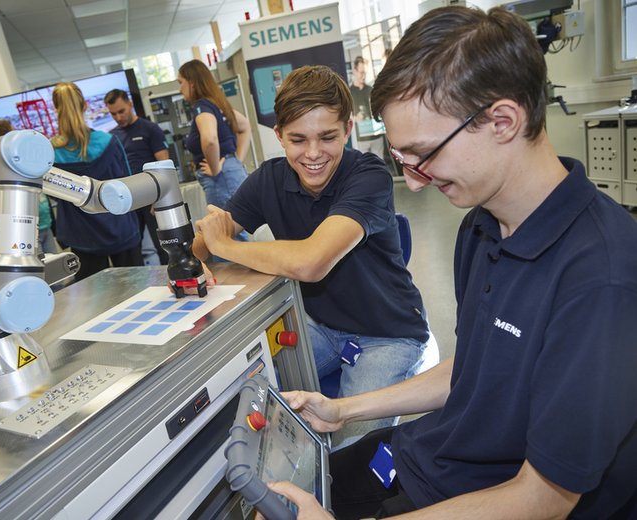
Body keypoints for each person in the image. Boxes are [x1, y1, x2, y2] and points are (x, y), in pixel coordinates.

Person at [259, 6, 637, 519]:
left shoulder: (603, 278)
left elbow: (544, 498)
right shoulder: (480, 228)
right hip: (431, 455)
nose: (414, 184)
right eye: (403, 160)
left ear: (502, 121)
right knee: (281, 495)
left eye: (424, 154)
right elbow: (476, 367)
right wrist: (344, 408)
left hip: (493, 497)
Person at [193, 65, 435, 446]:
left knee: (351, 452)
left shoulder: (369, 176)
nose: (313, 153)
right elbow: (203, 246)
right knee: (241, 390)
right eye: (298, 139)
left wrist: (225, 245)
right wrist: (208, 238)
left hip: (389, 335)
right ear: (279, 136)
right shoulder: (269, 179)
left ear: (348, 130)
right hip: (321, 326)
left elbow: (311, 262)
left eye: (327, 137)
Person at [50, 82, 142, 281]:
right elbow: (128, 183)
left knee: (94, 296)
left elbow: (55, 195)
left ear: (56, 109)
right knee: (137, 288)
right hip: (121, 229)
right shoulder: (110, 142)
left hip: (82, 237)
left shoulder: (52, 153)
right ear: (85, 106)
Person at [0, 119, 59, 255]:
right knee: (39, 268)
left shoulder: (23, 161)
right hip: (23, 234)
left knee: (55, 265)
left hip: (45, 226)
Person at [105, 88, 170, 265]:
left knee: (164, 245)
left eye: (121, 111)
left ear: (130, 104)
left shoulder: (150, 129)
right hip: (127, 200)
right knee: (131, 249)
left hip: (152, 197)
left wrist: (161, 199)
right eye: (113, 114)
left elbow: (164, 165)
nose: (118, 117)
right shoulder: (112, 137)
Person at [177, 59, 251, 213]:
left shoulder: (202, 107)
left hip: (221, 177)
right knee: (238, 223)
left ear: (192, 82)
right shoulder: (216, 104)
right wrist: (236, 160)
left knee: (226, 226)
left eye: (180, 82)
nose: (179, 89)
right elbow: (245, 126)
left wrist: (215, 169)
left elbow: (210, 139)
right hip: (231, 172)